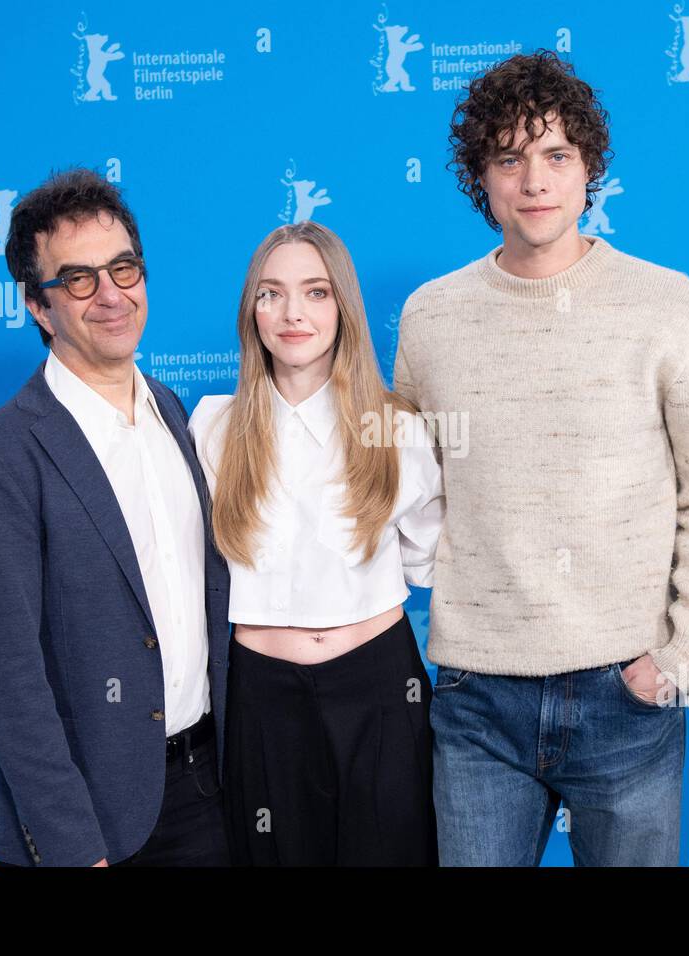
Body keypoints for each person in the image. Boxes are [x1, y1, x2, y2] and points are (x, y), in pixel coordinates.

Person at [392, 50, 689, 866]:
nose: (535, 180)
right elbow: (404, 488)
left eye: (556, 155)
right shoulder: (430, 317)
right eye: (509, 159)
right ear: (482, 176)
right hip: (477, 696)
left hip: (626, 687)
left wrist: (680, 658)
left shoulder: (668, 304)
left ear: (589, 169)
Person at [0, 168, 231, 866]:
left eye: (123, 269)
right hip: (89, 819)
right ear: (38, 308)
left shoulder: (172, 412)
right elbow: (5, 676)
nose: (110, 295)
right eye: (78, 279)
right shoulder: (3, 455)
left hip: (206, 790)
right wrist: (73, 848)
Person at [188, 220, 444, 866]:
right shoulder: (211, 427)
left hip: (381, 690)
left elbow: (427, 559)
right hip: (261, 699)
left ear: (344, 308)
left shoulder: (396, 428)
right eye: (270, 293)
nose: (292, 312)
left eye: (315, 292)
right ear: (252, 311)